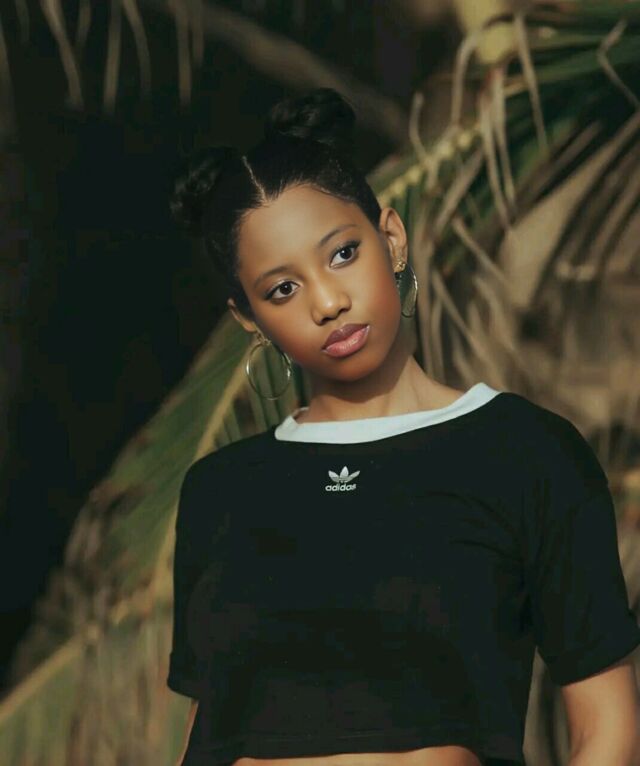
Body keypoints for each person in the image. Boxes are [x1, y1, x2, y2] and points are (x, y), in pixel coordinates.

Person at [166, 88, 640, 766]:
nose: (328, 302)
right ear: (248, 317)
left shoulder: (527, 454)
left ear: (390, 238)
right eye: (282, 289)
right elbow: (206, 731)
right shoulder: (219, 491)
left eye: (341, 254)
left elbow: (608, 732)